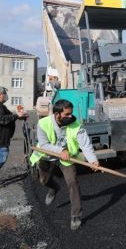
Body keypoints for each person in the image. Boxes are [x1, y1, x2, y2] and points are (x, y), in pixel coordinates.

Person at [29, 99, 100, 231]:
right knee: (44, 180)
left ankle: (76, 216)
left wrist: (93, 160)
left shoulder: (76, 124)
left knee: (72, 183)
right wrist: (60, 150)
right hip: (47, 155)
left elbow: (85, 144)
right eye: (66, 114)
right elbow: (43, 145)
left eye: (71, 113)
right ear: (57, 114)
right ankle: (54, 188)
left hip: (67, 159)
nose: (70, 116)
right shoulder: (43, 123)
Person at [0, 87, 28, 169]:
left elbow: (8, 116)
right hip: (1, 141)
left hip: (3, 139)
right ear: (0, 95)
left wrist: (19, 116)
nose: (6, 96)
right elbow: (2, 119)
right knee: (2, 157)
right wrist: (16, 116)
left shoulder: (2, 106)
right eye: (4, 94)